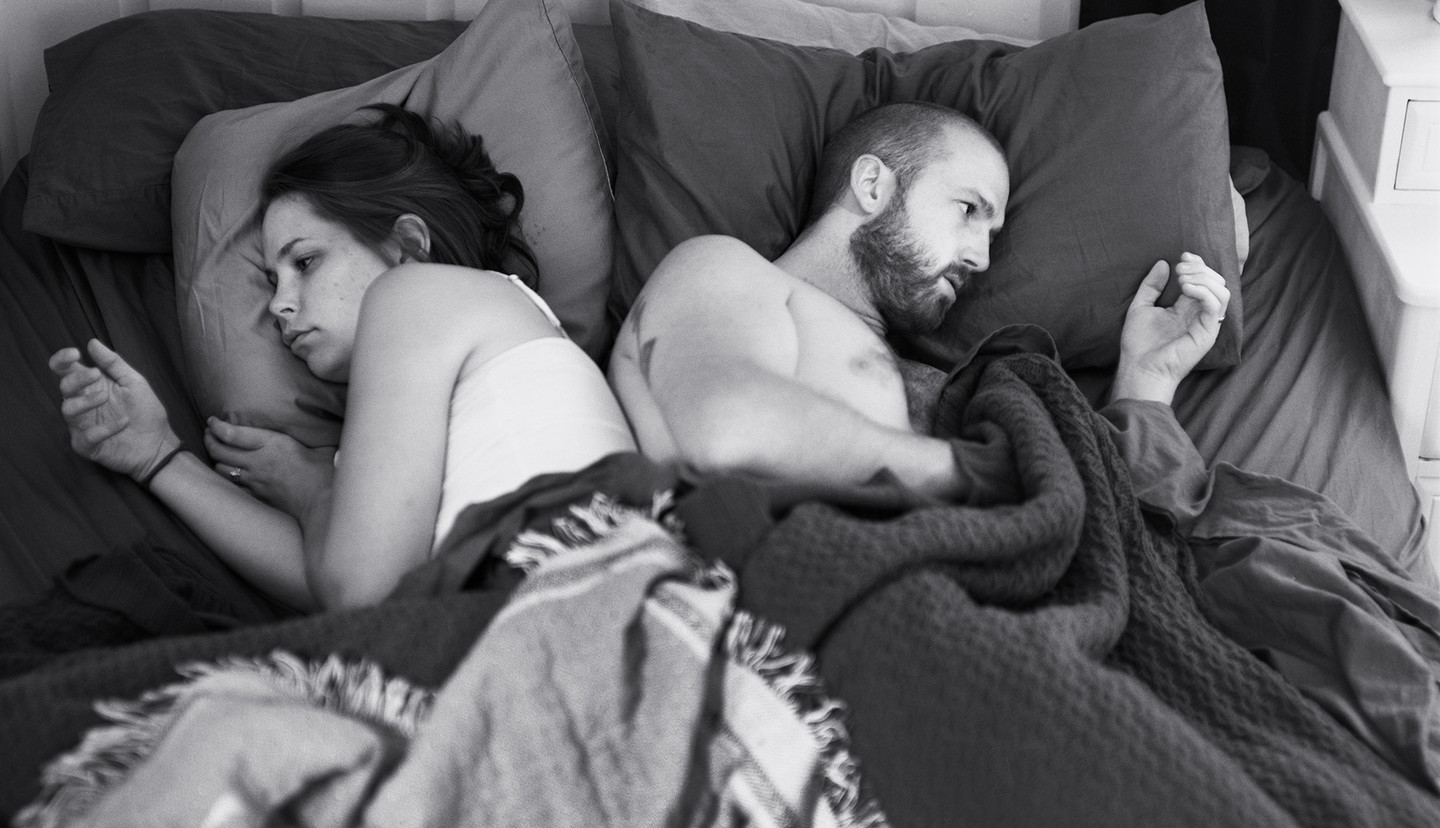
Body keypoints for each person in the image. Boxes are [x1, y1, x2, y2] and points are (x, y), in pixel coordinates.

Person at [50, 104, 636, 612]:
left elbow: (359, 590)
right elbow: (329, 580)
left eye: (305, 262)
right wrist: (156, 456)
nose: (278, 304)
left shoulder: (418, 294)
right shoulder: (412, 400)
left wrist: (312, 491)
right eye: (273, 278)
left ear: (407, 246)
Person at [608, 101, 1229, 495]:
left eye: (992, 235)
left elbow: (1118, 510)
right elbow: (722, 432)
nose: (982, 259)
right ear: (872, 184)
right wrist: (985, 475)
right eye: (969, 210)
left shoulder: (939, 383)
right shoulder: (721, 268)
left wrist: (1147, 382)